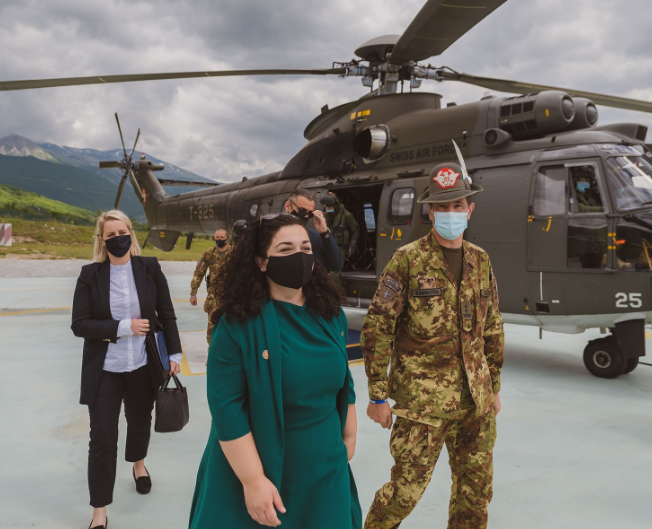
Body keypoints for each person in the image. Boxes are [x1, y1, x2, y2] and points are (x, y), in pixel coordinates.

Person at [189, 214, 361, 529]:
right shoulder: (237, 324)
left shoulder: (330, 315)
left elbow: (343, 382)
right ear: (261, 261)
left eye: (305, 248)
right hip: (260, 464)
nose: (300, 256)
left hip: (324, 468)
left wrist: (349, 435)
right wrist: (253, 479)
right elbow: (227, 406)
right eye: (285, 249)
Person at [362, 161, 504, 529]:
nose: (451, 213)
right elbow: (378, 327)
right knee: (404, 495)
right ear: (430, 212)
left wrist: (493, 387)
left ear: (470, 210)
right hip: (422, 404)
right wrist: (377, 395)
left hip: (475, 401)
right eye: (442, 206)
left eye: (458, 205)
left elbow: (491, 327)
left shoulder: (481, 260)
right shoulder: (407, 260)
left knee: (476, 495)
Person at [71, 210, 183, 529]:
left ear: (131, 234)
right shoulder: (90, 275)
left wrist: (173, 353)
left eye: (123, 232)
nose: (118, 238)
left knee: (139, 422)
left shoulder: (150, 267)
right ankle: (99, 512)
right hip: (105, 370)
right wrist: (123, 327)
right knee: (102, 438)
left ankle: (138, 464)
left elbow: (167, 313)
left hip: (143, 365)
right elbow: (80, 324)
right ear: (102, 240)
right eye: (111, 234)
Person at [190, 228, 233, 345]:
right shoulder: (209, 254)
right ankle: (212, 352)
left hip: (231, 297)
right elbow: (199, 272)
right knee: (212, 329)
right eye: (217, 238)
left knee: (232, 327)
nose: (219, 240)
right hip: (214, 297)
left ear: (227, 239)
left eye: (222, 238)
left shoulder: (235, 253)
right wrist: (193, 293)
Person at [283, 189, 343, 273]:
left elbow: (336, 265)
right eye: (302, 211)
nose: (306, 216)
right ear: (288, 206)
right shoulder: (273, 234)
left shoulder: (314, 237)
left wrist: (325, 233)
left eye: (310, 213)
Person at [321, 192, 359, 289]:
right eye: (326, 206)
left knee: (334, 272)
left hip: (340, 247)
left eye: (329, 206)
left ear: (335, 205)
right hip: (328, 245)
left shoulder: (347, 215)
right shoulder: (325, 216)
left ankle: (339, 294)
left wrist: (353, 245)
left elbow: (356, 231)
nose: (328, 208)